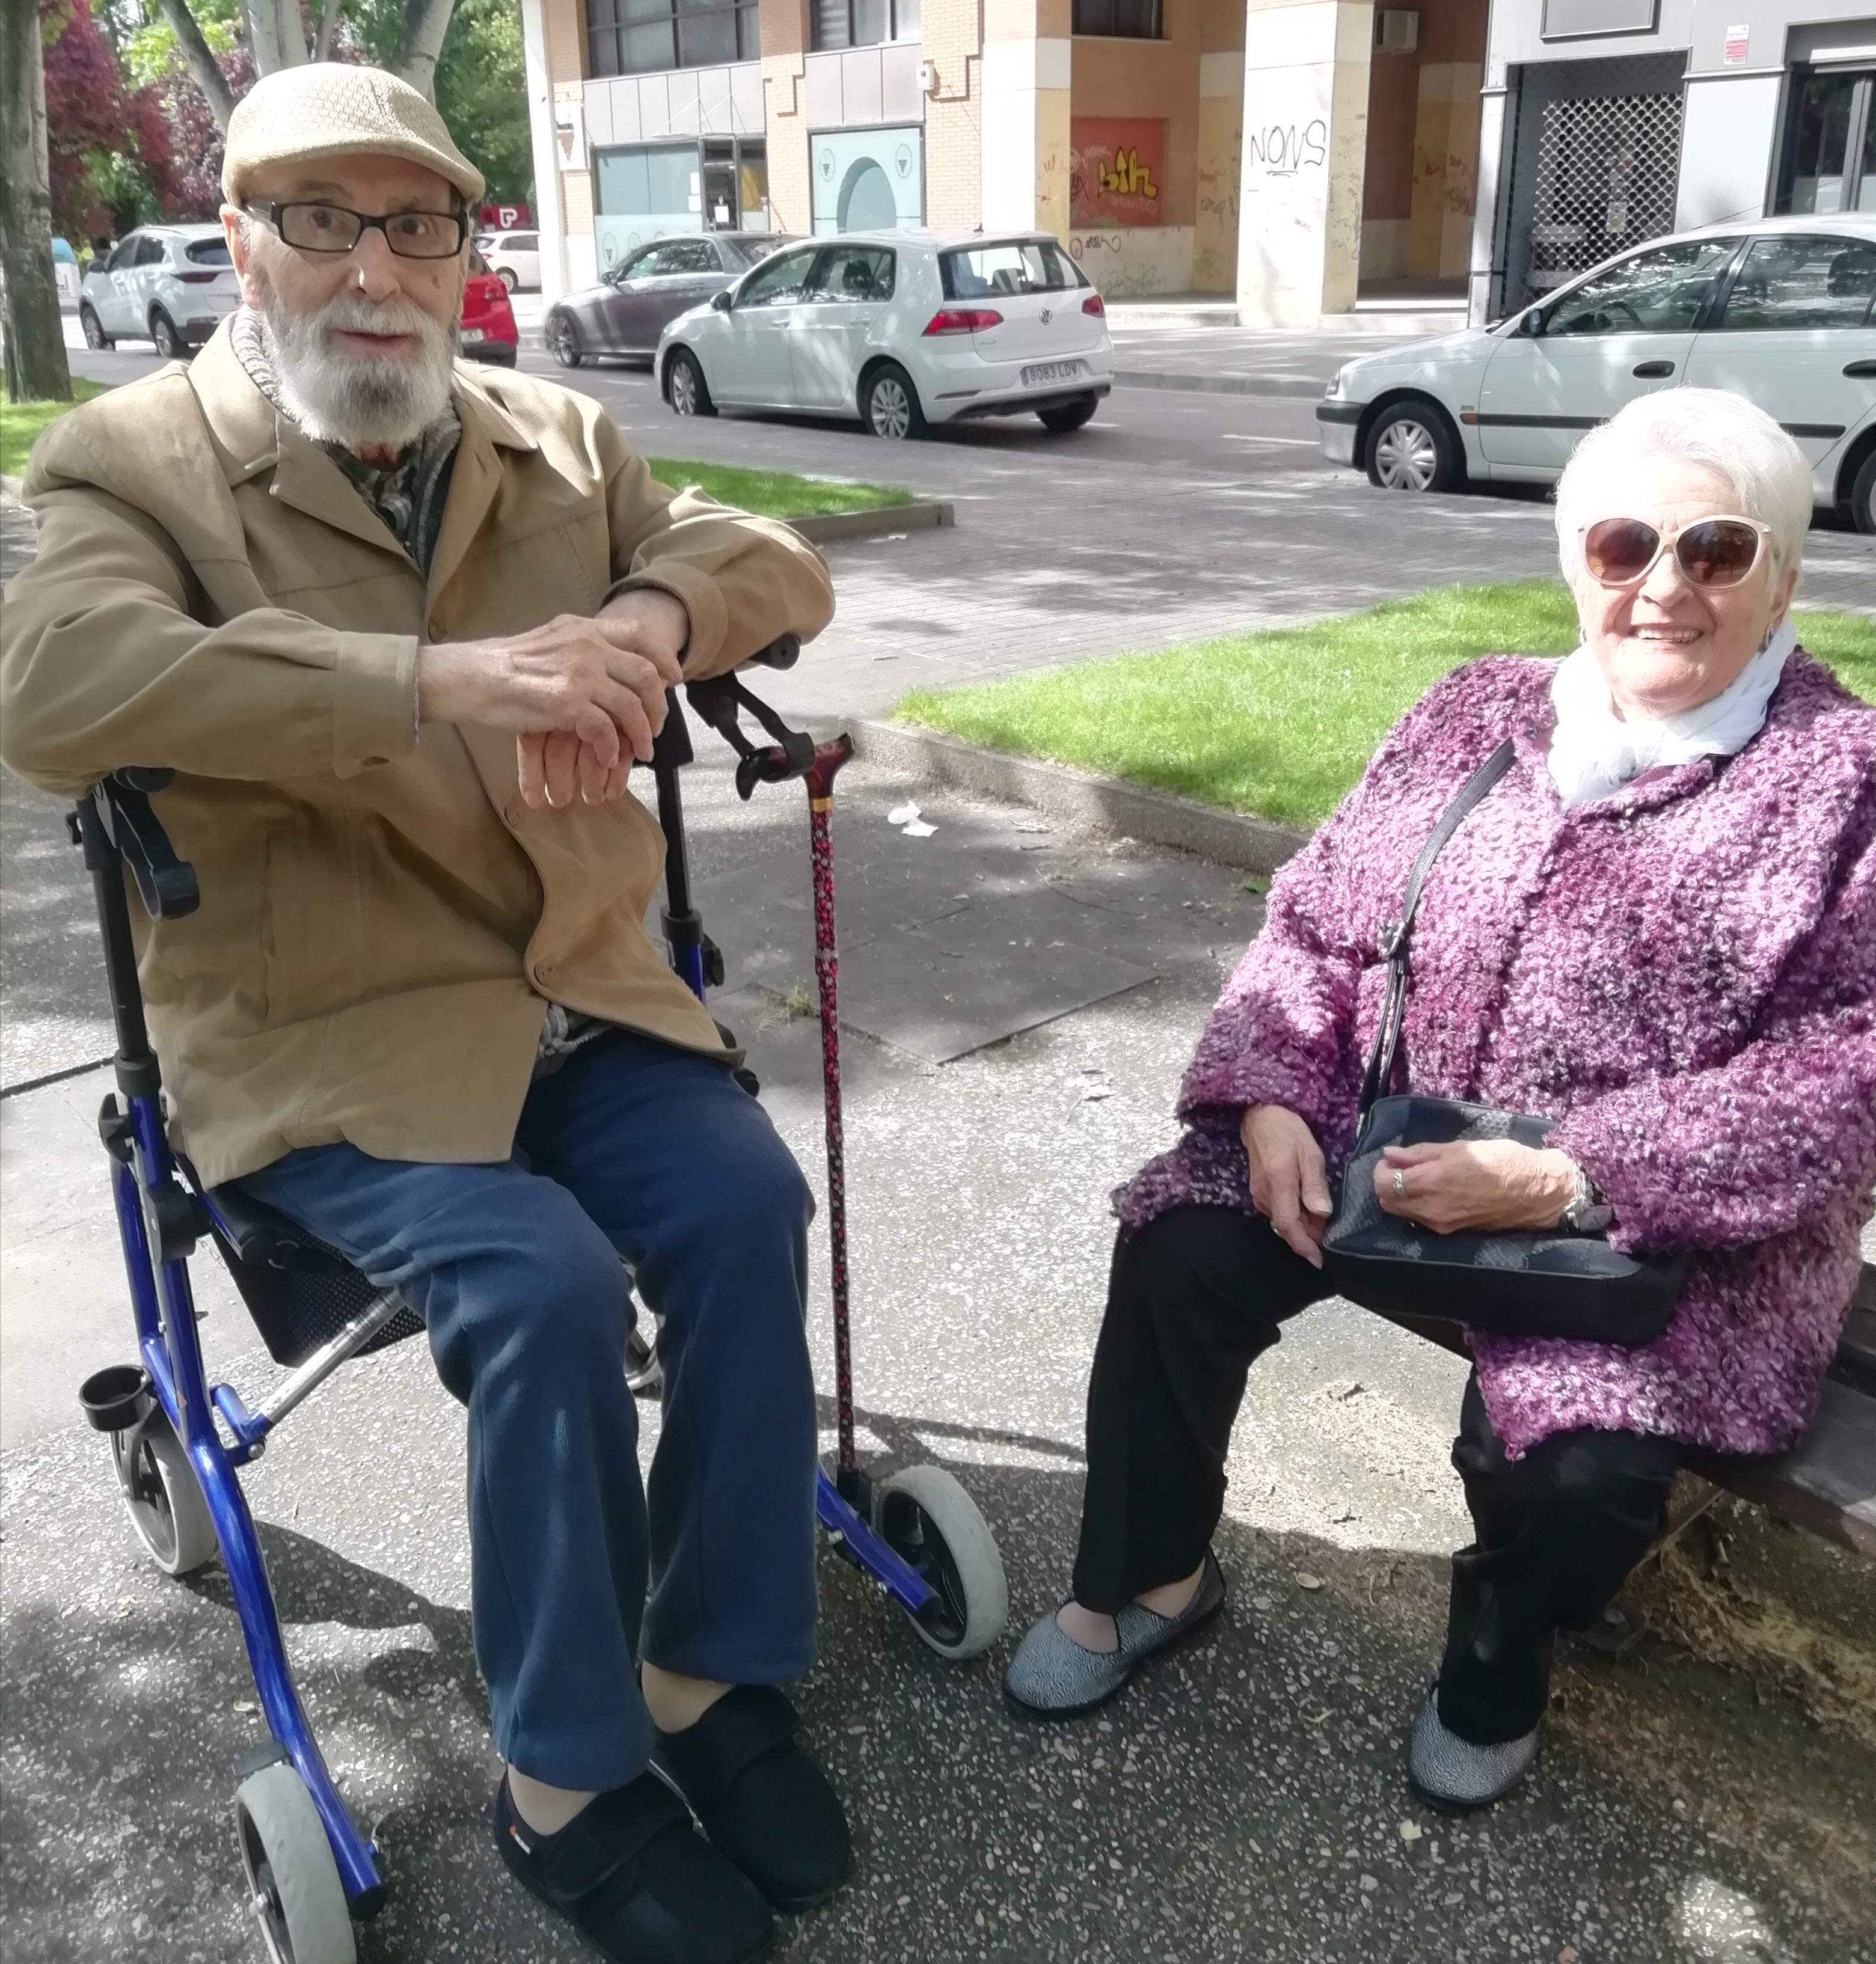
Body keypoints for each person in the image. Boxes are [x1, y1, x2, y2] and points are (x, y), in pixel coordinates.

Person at [1, 64, 843, 1964]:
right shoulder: (130, 460)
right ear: (241, 243)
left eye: (417, 224)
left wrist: (649, 624)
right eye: (320, 219)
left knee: (739, 1211)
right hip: (329, 1035)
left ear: (468, 249)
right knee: (541, 1286)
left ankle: (703, 1670)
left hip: (575, 989)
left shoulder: (551, 431)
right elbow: (53, 688)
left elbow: (768, 560)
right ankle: (560, 1779)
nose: (373, 269)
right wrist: (429, 682)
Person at [1002, 388, 1876, 1810]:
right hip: (1385, 1149)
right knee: (1177, 1251)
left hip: (1655, 1224)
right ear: (1571, 558)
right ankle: (1150, 1578)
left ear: (1783, 572)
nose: (1663, 586)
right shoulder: (1476, 706)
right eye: (1622, 545)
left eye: (1716, 549)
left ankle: (1499, 1654)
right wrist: (1274, 1095)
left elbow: (1847, 1071)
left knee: (1576, 1465)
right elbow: (1317, 926)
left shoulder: (1846, 779)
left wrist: (1571, 1172)